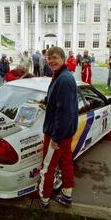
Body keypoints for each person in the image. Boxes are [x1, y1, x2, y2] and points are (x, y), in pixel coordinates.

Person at [39, 46, 78, 208]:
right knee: (66, 162)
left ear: (63, 59)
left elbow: (64, 113)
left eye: (55, 57)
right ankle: (67, 195)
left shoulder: (64, 79)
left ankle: (44, 198)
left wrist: (55, 138)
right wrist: (46, 101)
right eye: (49, 58)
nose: (51, 61)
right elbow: (58, 101)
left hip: (58, 134)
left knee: (47, 167)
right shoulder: (60, 75)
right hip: (66, 133)